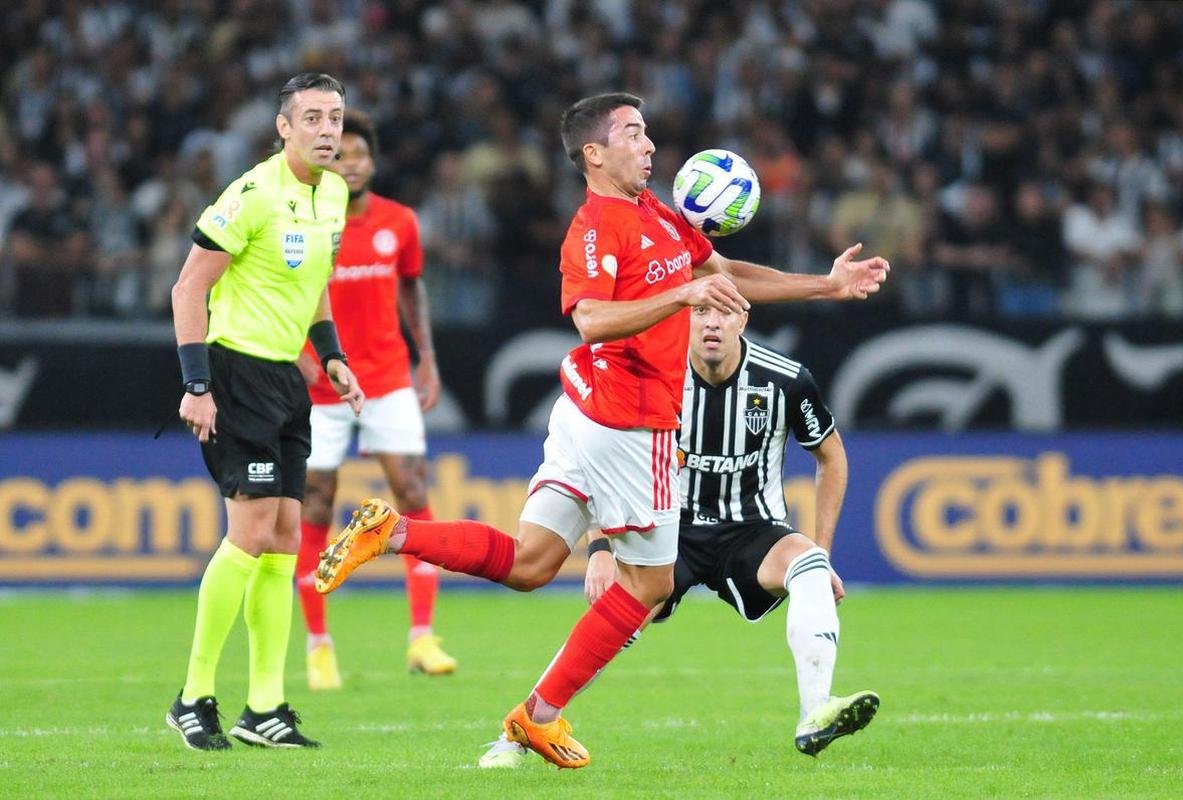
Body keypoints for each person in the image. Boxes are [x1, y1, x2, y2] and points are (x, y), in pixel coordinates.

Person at [313, 92, 888, 769]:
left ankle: (394, 533)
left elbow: (724, 276)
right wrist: (680, 296)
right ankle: (539, 716)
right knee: (646, 586)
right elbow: (589, 318)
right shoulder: (596, 227)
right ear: (595, 152)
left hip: (584, 409)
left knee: (531, 564)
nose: (649, 147)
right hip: (627, 420)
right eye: (635, 134)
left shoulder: (657, 216)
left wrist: (825, 285)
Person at [478, 305, 877, 767]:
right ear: (683, 319)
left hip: (752, 530)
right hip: (668, 525)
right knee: (614, 623)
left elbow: (833, 457)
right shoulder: (647, 376)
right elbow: (597, 456)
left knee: (808, 564)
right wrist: (601, 547)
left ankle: (815, 714)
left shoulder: (785, 380)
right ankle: (517, 734)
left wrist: (824, 551)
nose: (712, 323)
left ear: (742, 321)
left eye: (724, 313)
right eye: (701, 311)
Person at [165, 72, 364, 751]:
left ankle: (265, 707)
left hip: (286, 377)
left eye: (335, 118)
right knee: (249, 534)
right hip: (236, 369)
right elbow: (188, 286)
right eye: (311, 118)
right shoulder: (252, 194)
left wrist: (331, 355)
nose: (327, 130)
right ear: (283, 128)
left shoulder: (334, 194)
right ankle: (192, 697)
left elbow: (316, 290)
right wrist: (197, 385)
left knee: (283, 539)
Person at [293, 109, 456, 690]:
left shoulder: (399, 222)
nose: (352, 163)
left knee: (412, 492)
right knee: (315, 504)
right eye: (340, 155)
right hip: (321, 387)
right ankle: (318, 646)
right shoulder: (303, 222)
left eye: (360, 154)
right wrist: (298, 352)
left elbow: (412, 286)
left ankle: (422, 638)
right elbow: (283, 294)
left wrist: (428, 358)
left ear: (373, 160)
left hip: (387, 378)